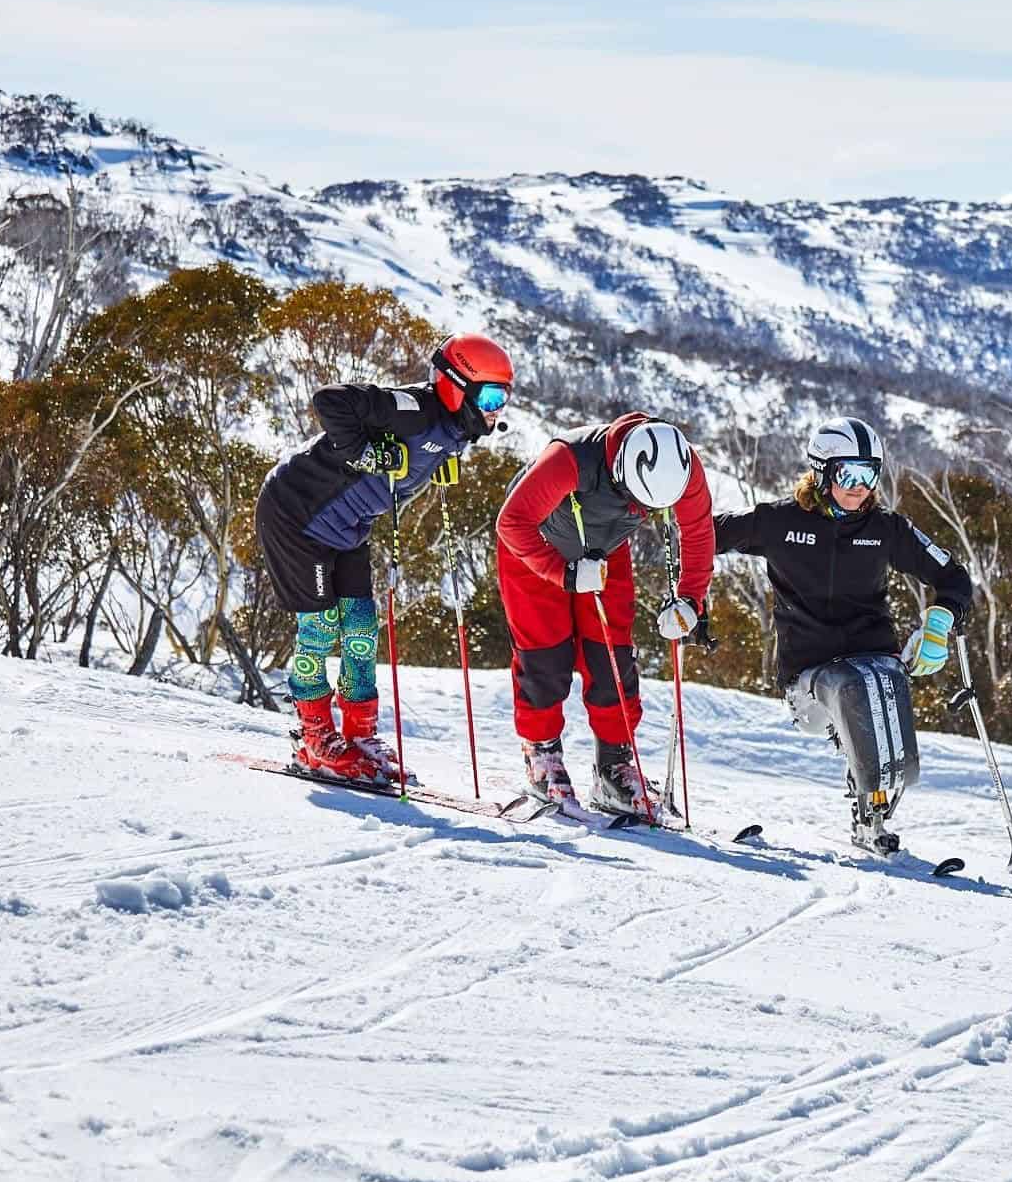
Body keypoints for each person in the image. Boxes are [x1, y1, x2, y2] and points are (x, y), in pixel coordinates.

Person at [255, 332, 515, 784]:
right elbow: (331, 400)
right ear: (457, 385)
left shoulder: (455, 430)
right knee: (319, 628)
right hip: (297, 513)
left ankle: (359, 735)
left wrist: (432, 465)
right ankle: (313, 736)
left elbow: (420, 452)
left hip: (348, 526)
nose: (496, 410)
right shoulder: (415, 409)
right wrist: (368, 452)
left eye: (504, 398)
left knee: (360, 627)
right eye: (490, 395)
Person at [713, 417, 972, 854]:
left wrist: (942, 619)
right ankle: (868, 797)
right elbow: (706, 534)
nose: (860, 487)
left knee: (882, 678)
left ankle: (874, 811)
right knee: (854, 685)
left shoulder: (886, 529)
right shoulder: (778, 522)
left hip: (873, 656)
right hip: (808, 673)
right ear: (821, 471)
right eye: (848, 474)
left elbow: (952, 575)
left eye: (870, 474)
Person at [495, 413, 713, 814]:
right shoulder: (569, 459)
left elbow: (698, 534)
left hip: (605, 548)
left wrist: (690, 601)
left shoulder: (683, 466)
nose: (643, 510)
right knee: (546, 653)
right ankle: (542, 755)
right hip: (536, 547)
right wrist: (563, 573)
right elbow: (512, 523)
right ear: (620, 471)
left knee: (612, 655)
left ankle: (614, 765)